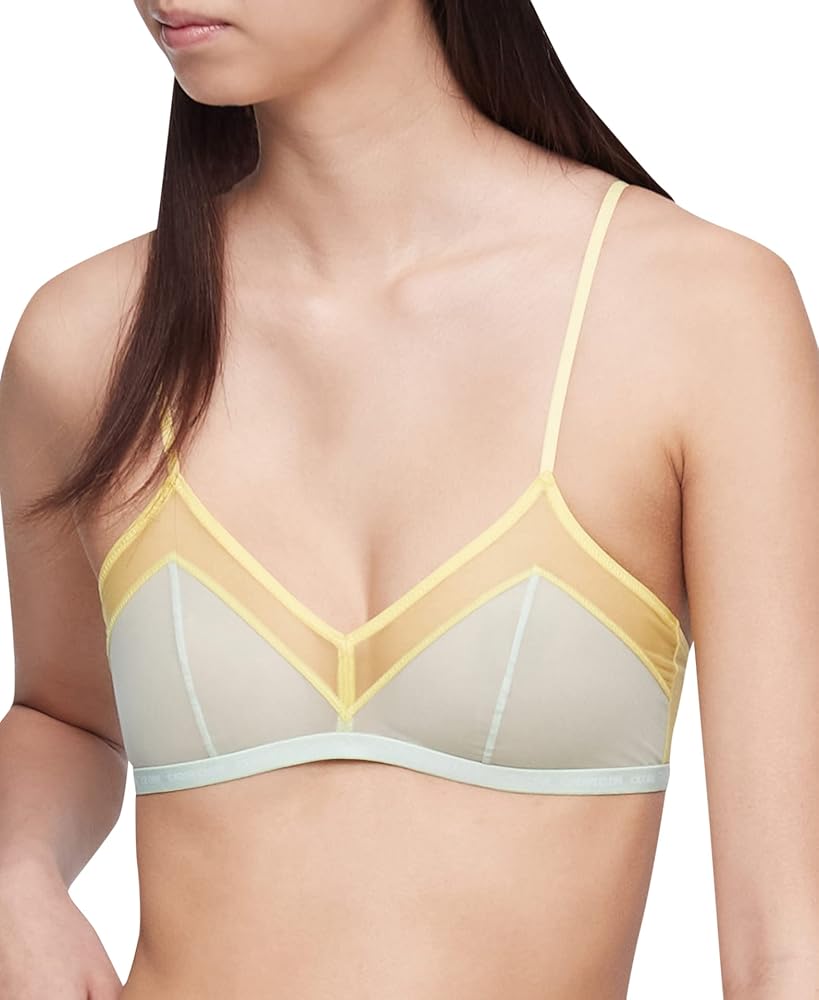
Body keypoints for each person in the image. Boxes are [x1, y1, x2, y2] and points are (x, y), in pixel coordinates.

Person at [0, 2, 817, 997]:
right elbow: (67, 716)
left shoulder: (698, 313)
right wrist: (16, 874)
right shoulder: (89, 338)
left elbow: (787, 948)